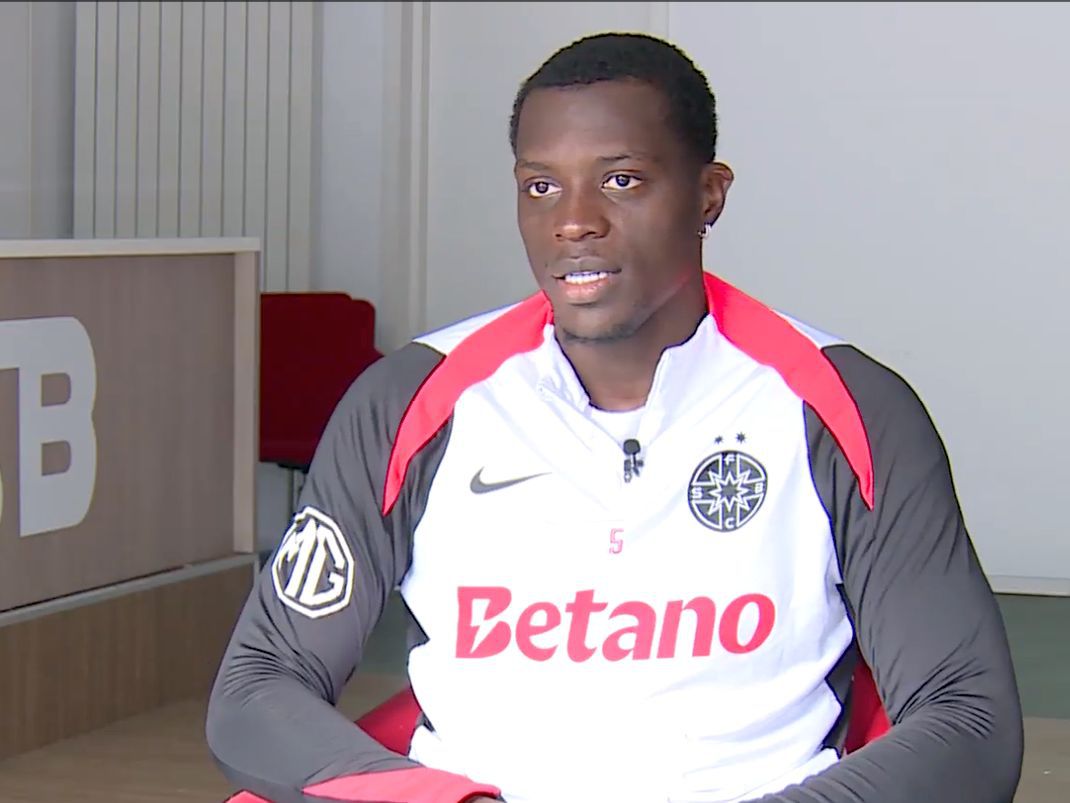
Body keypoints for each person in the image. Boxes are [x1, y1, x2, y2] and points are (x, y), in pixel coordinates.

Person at [207, 31, 1023, 803]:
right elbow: (259, 684)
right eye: (541, 186)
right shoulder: (411, 401)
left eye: (622, 180)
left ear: (709, 194)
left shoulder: (843, 407)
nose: (574, 221)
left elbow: (969, 718)